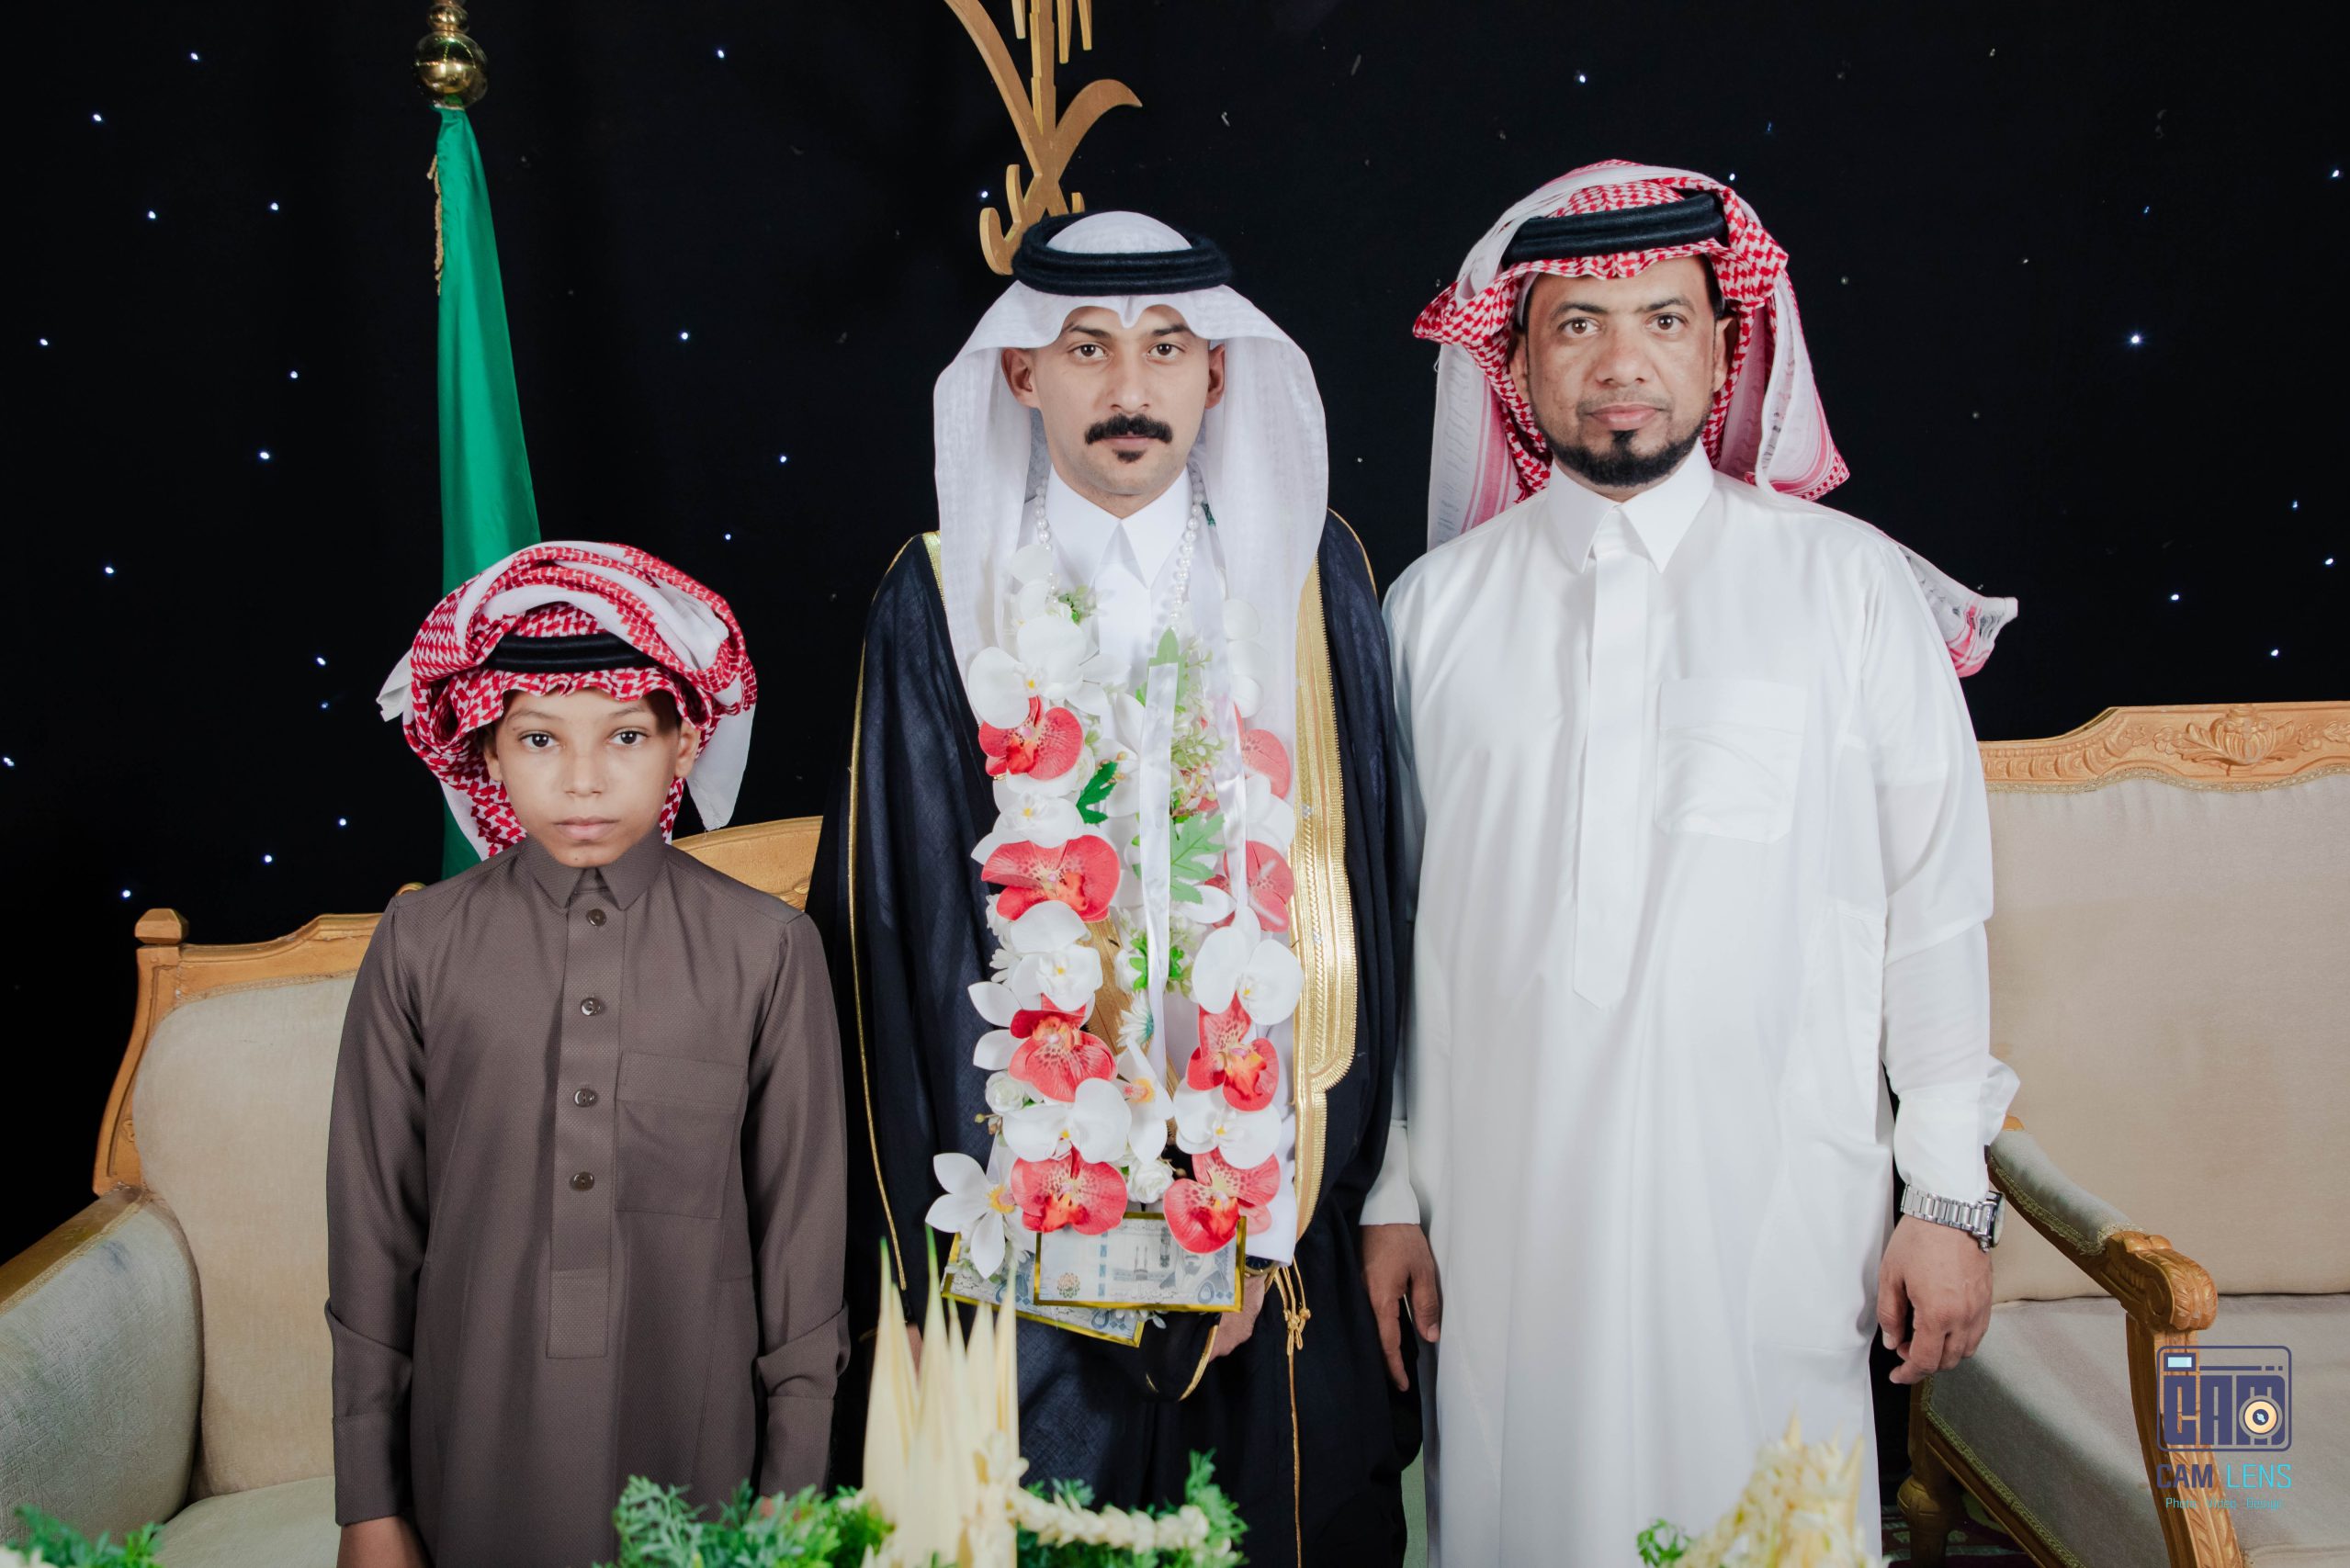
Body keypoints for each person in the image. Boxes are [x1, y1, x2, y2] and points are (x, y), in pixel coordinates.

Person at [1359, 161, 2022, 1562]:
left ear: (1725, 351)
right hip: (1505, 1228)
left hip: (1773, 1218)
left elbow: (1934, 910)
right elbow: (1383, 934)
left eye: (1663, 319)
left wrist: (1947, 1197)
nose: (1622, 365)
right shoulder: (1429, 616)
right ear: (1515, 364)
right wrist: (1391, 1188)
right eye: (1577, 324)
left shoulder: (1848, 586)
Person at [808, 211, 1415, 1564]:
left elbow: (1372, 898)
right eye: (1086, 348)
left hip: (1273, 1212)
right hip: (1028, 1219)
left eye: (1167, 348)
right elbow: (895, 934)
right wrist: (950, 1245)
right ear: (1023, 373)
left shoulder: (1309, 576)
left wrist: (1299, 1194)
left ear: (1219, 372)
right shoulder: (941, 595)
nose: (1129, 389)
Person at [329, 543, 846, 1568]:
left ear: (683, 745)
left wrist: (793, 1499)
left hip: (703, 1456)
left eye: (624, 736)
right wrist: (367, 1502)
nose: (582, 780)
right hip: (469, 1456)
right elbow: (372, 1233)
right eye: (538, 739)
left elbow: (804, 1245)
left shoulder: (768, 949)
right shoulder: (420, 943)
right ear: (486, 751)